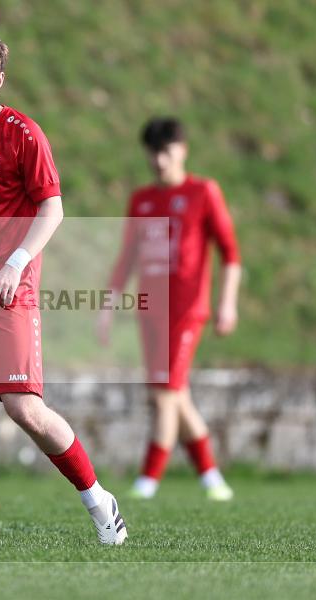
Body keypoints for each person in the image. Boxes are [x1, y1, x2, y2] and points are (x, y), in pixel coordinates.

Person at [0, 29, 126, 545]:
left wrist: (14, 263)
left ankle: (99, 498)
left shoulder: (22, 134)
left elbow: (52, 208)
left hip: (6, 291)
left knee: (23, 409)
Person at [97, 117, 241, 501]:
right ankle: (212, 479)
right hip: (151, 310)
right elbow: (127, 256)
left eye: (167, 151)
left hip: (188, 311)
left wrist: (227, 303)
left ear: (182, 150)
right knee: (176, 395)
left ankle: (148, 480)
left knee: (163, 393)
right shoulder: (142, 200)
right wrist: (108, 305)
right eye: (154, 153)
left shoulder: (203, 192)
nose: (160, 160)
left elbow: (230, 254)